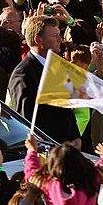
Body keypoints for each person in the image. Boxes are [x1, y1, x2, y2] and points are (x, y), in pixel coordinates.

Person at [7, 15, 80, 144]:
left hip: (65, 147)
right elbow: (26, 119)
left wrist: (75, 136)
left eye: (59, 35)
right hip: (46, 149)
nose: (60, 39)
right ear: (38, 40)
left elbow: (66, 105)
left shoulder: (56, 66)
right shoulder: (23, 74)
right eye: (54, 36)